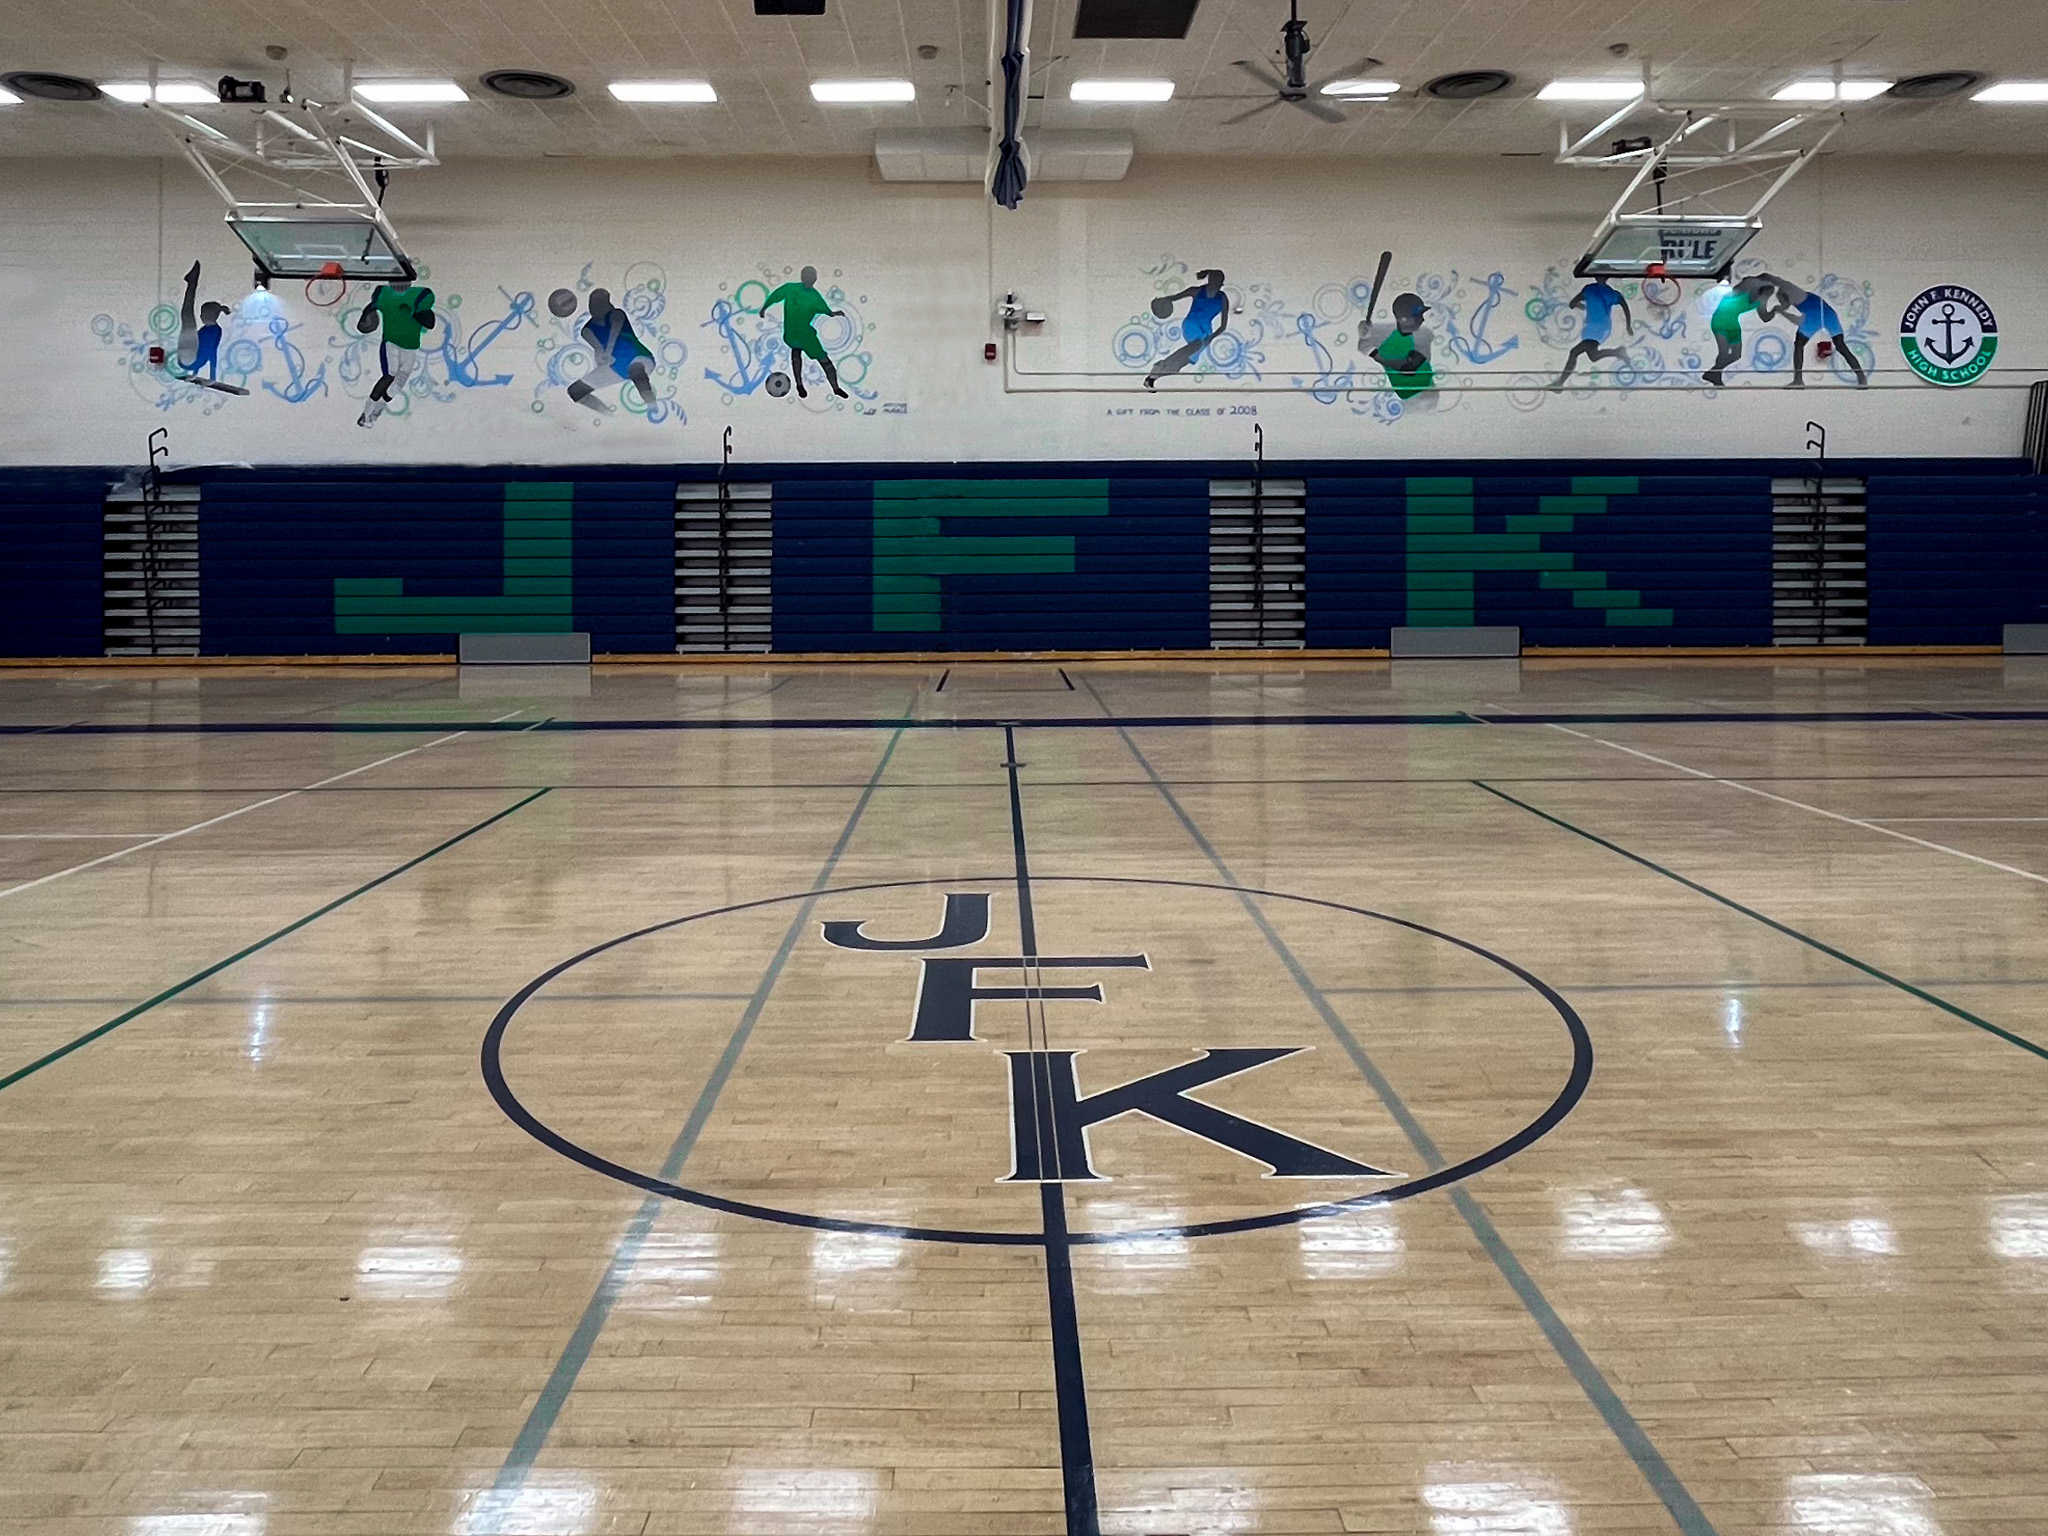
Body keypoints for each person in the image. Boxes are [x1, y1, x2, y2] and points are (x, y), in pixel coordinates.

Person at [1759, 273, 1869, 389]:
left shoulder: (1795, 292)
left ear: (1785, 295)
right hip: (1817, 316)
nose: (1783, 304)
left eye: (1782, 301)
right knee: (1802, 344)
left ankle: (1861, 377)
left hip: (1823, 314)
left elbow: (1773, 279)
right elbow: (1797, 320)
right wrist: (1781, 311)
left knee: (1839, 346)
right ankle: (1798, 380)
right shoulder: (1793, 302)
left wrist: (1758, 279)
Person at [354, 276, 437, 428]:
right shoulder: (383, 295)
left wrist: (413, 313)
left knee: (397, 385)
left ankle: (377, 409)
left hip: (410, 346)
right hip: (391, 342)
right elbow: (372, 306)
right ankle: (367, 412)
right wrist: (366, 317)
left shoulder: (421, 296)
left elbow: (429, 322)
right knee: (390, 375)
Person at [758, 266, 848, 399]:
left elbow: (824, 308)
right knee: (797, 354)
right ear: (802, 277)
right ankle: (800, 385)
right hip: (793, 332)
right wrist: (765, 307)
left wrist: (832, 313)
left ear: (815, 279)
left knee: (821, 359)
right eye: (807, 276)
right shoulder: (791, 288)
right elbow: (776, 295)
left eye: (811, 277)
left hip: (805, 334)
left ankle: (835, 388)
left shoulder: (814, 296)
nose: (809, 279)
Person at [568, 288, 656, 414]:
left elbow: (614, 335)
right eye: (593, 302)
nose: (595, 306)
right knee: (575, 391)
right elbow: (598, 348)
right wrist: (602, 359)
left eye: (599, 301)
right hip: (615, 367)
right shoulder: (587, 330)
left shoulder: (616, 314)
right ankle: (607, 415)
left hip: (637, 356)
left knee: (636, 372)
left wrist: (608, 353)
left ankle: (654, 409)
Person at [1143, 269, 1229, 390]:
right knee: (1193, 347)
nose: (1217, 284)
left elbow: (1223, 325)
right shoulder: (1197, 291)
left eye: (1219, 282)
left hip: (1206, 331)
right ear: (1210, 280)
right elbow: (1174, 297)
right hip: (1191, 325)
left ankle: (1152, 378)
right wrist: (1161, 302)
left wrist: (1212, 337)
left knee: (1186, 360)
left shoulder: (1222, 298)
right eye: (1215, 281)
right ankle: (1157, 369)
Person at [1699, 273, 1780, 388]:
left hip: (1733, 322)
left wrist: (1776, 310)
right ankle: (1715, 374)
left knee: (1736, 355)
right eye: (1767, 294)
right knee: (1723, 353)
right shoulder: (1749, 286)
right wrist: (1769, 281)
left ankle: (1714, 373)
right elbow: (1747, 282)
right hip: (1720, 319)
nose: (1767, 297)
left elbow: (1765, 317)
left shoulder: (1760, 300)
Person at [1551, 276, 1634, 388]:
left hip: (1600, 328)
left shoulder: (1606, 292)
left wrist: (1628, 324)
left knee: (1574, 352)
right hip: (1590, 328)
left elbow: (1624, 305)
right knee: (1593, 356)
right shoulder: (1592, 290)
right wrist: (1578, 305)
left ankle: (1560, 383)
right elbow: (1572, 303)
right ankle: (1617, 352)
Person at [1361, 292, 1435, 400]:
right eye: (1417, 316)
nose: (1422, 320)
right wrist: (1366, 336)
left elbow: (1410, 367)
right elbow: (1406, 368)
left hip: (1426, 393)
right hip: (1412, 398)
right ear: (1403, 319)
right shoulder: (1390, 341)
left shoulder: (1418, 337)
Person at [173, 261, 229, 384]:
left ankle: (192, 283)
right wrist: (194, 375)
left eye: (202, 315)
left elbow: (211, 353)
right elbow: (201, 350)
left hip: (190, 360)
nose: (200, 316)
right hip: (188, 360)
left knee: (187, 315)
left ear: (208, 316)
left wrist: (212, 378)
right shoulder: (206, 330)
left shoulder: (214, 331)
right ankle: (192, 283)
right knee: (186, 315)